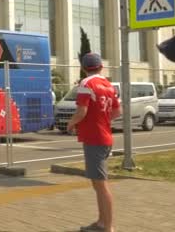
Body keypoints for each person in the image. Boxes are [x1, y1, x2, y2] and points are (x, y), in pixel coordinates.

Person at [66, 53, 120, 232]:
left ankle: (108, 226)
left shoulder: (86, 84)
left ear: (83, 68)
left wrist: (71, 123)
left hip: (94, 139)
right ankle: (101, 221)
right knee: (98, 183)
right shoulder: (108, 85)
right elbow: (116, 111)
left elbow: (82, 111)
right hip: (105, 136)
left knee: (101, 184)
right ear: (100, 67)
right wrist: (103, 120)